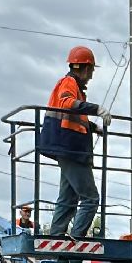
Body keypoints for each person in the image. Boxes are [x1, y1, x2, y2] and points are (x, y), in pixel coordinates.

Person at [38, 46, 104, 238]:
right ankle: (76, 239)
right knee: (91, 199)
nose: (91, 76)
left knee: (68, 197)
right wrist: (97, 109)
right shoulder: (68, 83)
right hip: (70, 149)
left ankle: (57, 235)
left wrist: (92, 127)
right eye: (91, 70)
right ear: (84, 67)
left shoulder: (76, 89)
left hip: (69, 148)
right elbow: (66, 104)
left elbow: (73, 117)